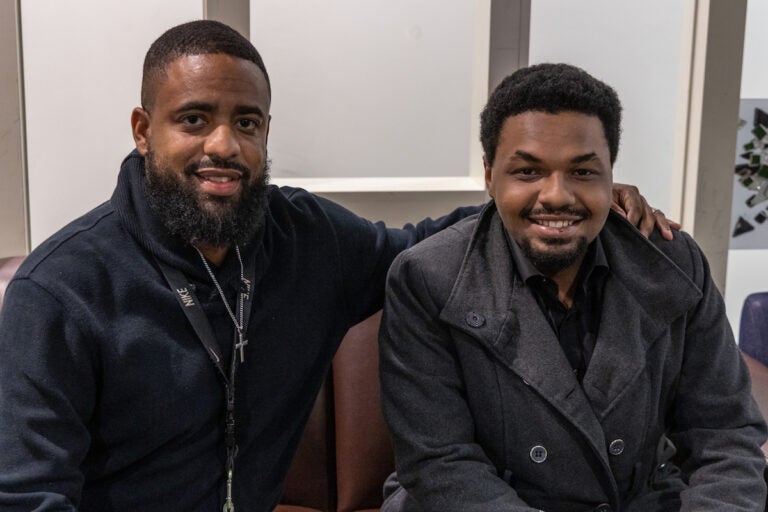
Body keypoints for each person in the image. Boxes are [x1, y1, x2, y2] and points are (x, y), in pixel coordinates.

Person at [0, 21, 669, 512]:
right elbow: (29, 497)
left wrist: (561, 200)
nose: (225, 145)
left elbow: (423, 245)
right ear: (144, 128)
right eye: (194, 119)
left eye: (249, 123)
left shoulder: (305, 240)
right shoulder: (59, 291)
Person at [379, 63, 768, 512]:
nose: (558, 195)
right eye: (527, 172)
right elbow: (440, 462)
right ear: (489, 174)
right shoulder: (427, 277)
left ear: (611, 174)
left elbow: (725, 434)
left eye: (583, 172)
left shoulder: (674, 263)